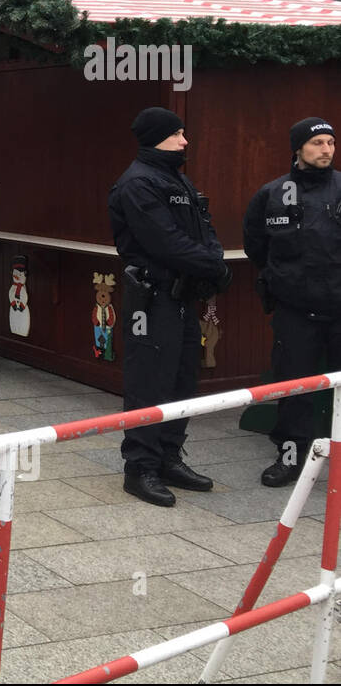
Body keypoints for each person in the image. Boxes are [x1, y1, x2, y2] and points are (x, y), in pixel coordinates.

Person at [108, 107, 231, 506]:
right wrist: (213, 264)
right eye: (178, 134)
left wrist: (214, 261)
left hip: (181, 297)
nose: (185, 141)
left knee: (181, 379)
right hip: (152, 297)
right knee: (148, 382)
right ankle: (139, 467)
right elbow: (165, 241)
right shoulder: (137, 184)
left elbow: (203, 227)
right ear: (157, 137)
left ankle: (167, 458)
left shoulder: (176, 178)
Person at [242, 117, 341, 487]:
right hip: (295, 312)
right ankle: (289, 457)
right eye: (317, 143)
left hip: (339, 309)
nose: (326, 149)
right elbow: (256, 245)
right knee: (293, 386)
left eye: (331, 142)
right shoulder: (272, 193)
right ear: (298, 149)